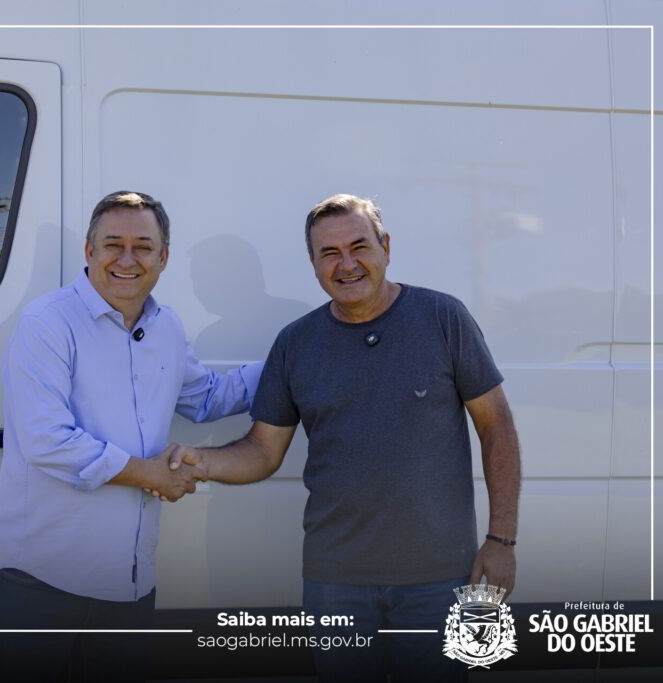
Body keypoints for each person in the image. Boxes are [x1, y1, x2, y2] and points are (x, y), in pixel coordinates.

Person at [165, 194, 521, 683]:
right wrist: (199, 461)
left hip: (439, 580)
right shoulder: (296, 343)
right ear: (312, 263)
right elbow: (262, 451)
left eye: (359, 247)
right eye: (329, 253)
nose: (347, 264)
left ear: (385, 248)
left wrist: (501, 541)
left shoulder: (443, 318)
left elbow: (496, 426)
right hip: (335, 585)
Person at [0, 191, 262, 682]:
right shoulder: (47, 323)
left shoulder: (167, 326)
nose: (127, 259)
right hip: (42, 580)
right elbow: (47, 439)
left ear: (164, 257)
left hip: (130, 583)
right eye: (113, 244)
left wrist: (293, 356)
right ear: (89, 251)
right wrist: (149, 475)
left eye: (143, 247)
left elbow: (206, 399)